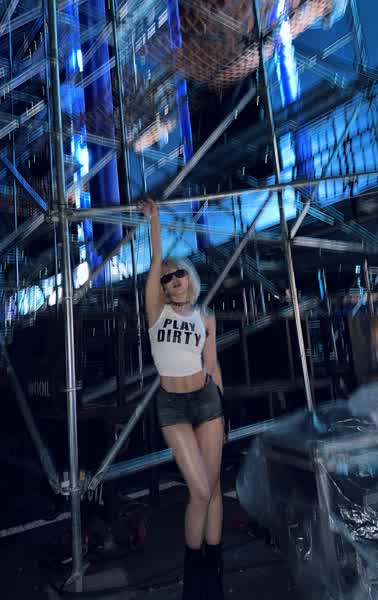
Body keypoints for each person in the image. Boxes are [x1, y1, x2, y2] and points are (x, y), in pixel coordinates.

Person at [141, 197, 226, 600]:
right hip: (173, 407)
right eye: (168, 277)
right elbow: (156, 259)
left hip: (208, 403)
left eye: (179, 274)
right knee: (201, 491)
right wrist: (154, 218)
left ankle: (214, 578)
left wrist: (224, 407)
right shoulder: (157, 311)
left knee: (214, 486)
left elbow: (212, 365)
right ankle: (194, 582)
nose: (173, 279)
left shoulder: (205, 317)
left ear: (190, 278)